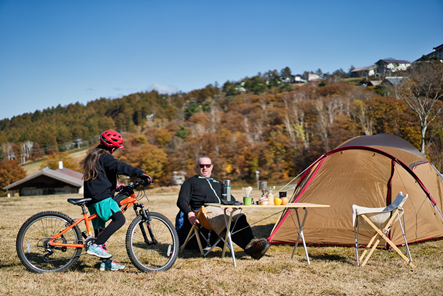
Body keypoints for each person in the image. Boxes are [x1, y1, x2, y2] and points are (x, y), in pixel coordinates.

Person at [80, 130, 151, 271]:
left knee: (100, 232)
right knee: (119, 220)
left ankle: (106, 262)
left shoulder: (94, 155)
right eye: (116, 148)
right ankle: (96, 246)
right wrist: (140, 173)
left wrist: (114, 187)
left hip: (93, 199)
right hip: (101, 199)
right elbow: (119, 167)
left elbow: (99, 178)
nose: (115, 150)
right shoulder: (105, 157)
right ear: (112, 147)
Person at [177, 156, 270, 260]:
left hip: (222, 209)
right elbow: (181, 201)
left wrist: (231, 205)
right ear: (197, 167)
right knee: (227, 222)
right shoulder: (190, 182)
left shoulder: (217, 183)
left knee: (239, 215)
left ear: (211, 167)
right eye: (202, 166)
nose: (205, 168)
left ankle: (252, 243)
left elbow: (231, 198)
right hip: (205, 211)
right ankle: (251, 248)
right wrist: (190, 213)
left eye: (207, 165)